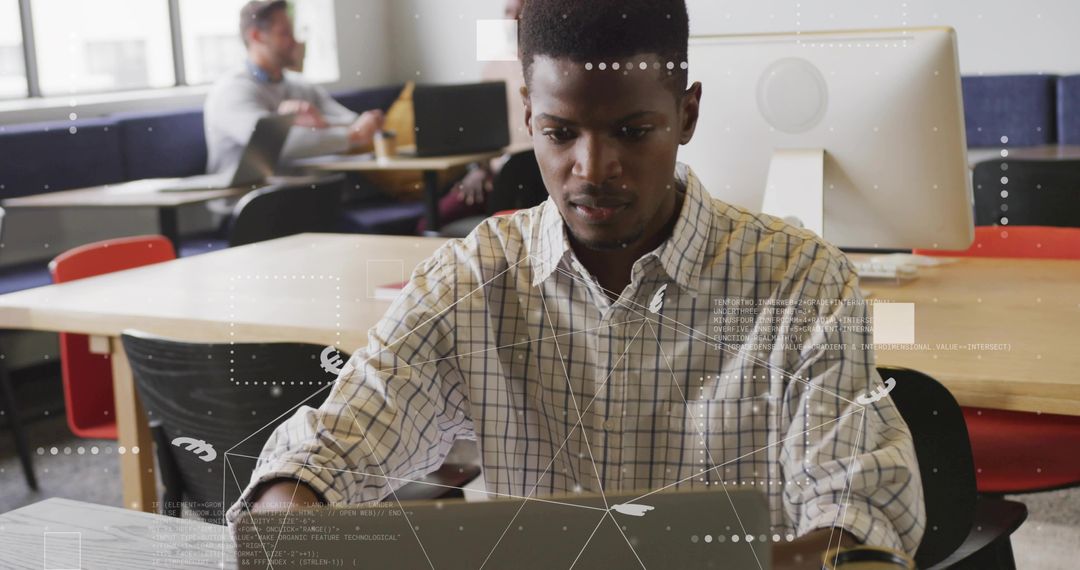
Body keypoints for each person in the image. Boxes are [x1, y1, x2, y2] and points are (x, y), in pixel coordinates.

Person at [229, 1, 925, 568]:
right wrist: (290, 521)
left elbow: (858, 514)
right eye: (561, 133)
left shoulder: (802, 282)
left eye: (633, 130)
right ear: (528, 114)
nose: (593, 168)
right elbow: (337, 443)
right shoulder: (474, 277)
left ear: (687, 114)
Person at [203, 0, 384, 175]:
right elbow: (277, 143)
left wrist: (322, 123)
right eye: (284, 33)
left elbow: (352, 120)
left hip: (299, 191)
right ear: (256, 36)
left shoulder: (301, 86)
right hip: (245, 200)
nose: (294, 41)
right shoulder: (231, 92)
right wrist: (350, 136)